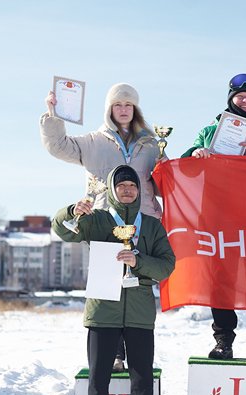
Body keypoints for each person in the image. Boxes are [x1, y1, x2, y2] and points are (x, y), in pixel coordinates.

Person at [52, 165, 175, 395]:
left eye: (132, 185)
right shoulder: (97, 220)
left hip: (140, 312)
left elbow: (167, 265)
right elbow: (61, 231)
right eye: (122, 186)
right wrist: (72, 211)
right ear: (112, 190)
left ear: (139, 190)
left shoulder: (152, 225)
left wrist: (138, 262)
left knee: (142, 374)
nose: (128, 190)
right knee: (99, 374)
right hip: (102, 309)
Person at [42, 82, 164, 372]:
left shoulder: (151, 144)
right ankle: (113, 354)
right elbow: (58, 146)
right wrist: (53, 116)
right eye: (117, 105)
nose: (123, 110)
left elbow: (164, 180)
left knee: (138, 287)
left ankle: (136, 355)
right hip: (104, 223)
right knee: (107, 287)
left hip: (142, 222)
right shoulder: (93, 141)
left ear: (135, 109)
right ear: (109, 109)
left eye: (128, 105)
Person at [181, 73, 246, 361]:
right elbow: (187, 165)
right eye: (240, 96)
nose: (245, 100)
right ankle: (223, 341)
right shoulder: (210, 130)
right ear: (231, 98)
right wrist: (196, 152)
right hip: (220, 216)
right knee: (222, 280)